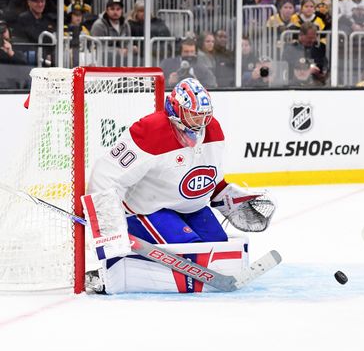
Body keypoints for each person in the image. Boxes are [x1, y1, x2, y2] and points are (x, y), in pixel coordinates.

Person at [85, 78, 275, 293]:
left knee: (219, 245)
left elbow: (208, 176)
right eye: (194, 114)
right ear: (175, 109)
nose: (201, 120)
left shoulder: (213, 129)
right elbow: (105, 174)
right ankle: (113, 274)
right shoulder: (150, 130)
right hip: (148, 210)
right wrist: (108, 226)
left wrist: (228, 196)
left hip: (191, 208)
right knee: (190, 253)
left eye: (205, 114)